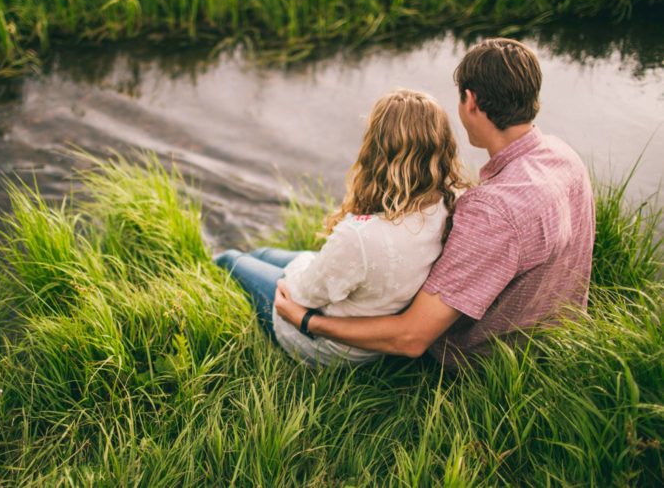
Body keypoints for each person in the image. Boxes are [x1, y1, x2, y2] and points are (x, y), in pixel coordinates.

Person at [274, 38, 596, 367]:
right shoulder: (564, 158)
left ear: (470, 101)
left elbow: (410, 338)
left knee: (244, 263)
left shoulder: (492, 211)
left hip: (487, 363)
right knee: (284, 261)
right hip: (554, 342)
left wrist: (306, 321)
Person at [215, 89, 469, 365]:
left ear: (376, 151)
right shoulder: (453, 203)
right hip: (369, 312)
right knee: (263, 254)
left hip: (327, 343)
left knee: (231, 259)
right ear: (442, 146)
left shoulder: (360, 235)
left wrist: (300, 270)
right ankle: (254, 258)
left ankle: (208, 266)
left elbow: (301, 295)